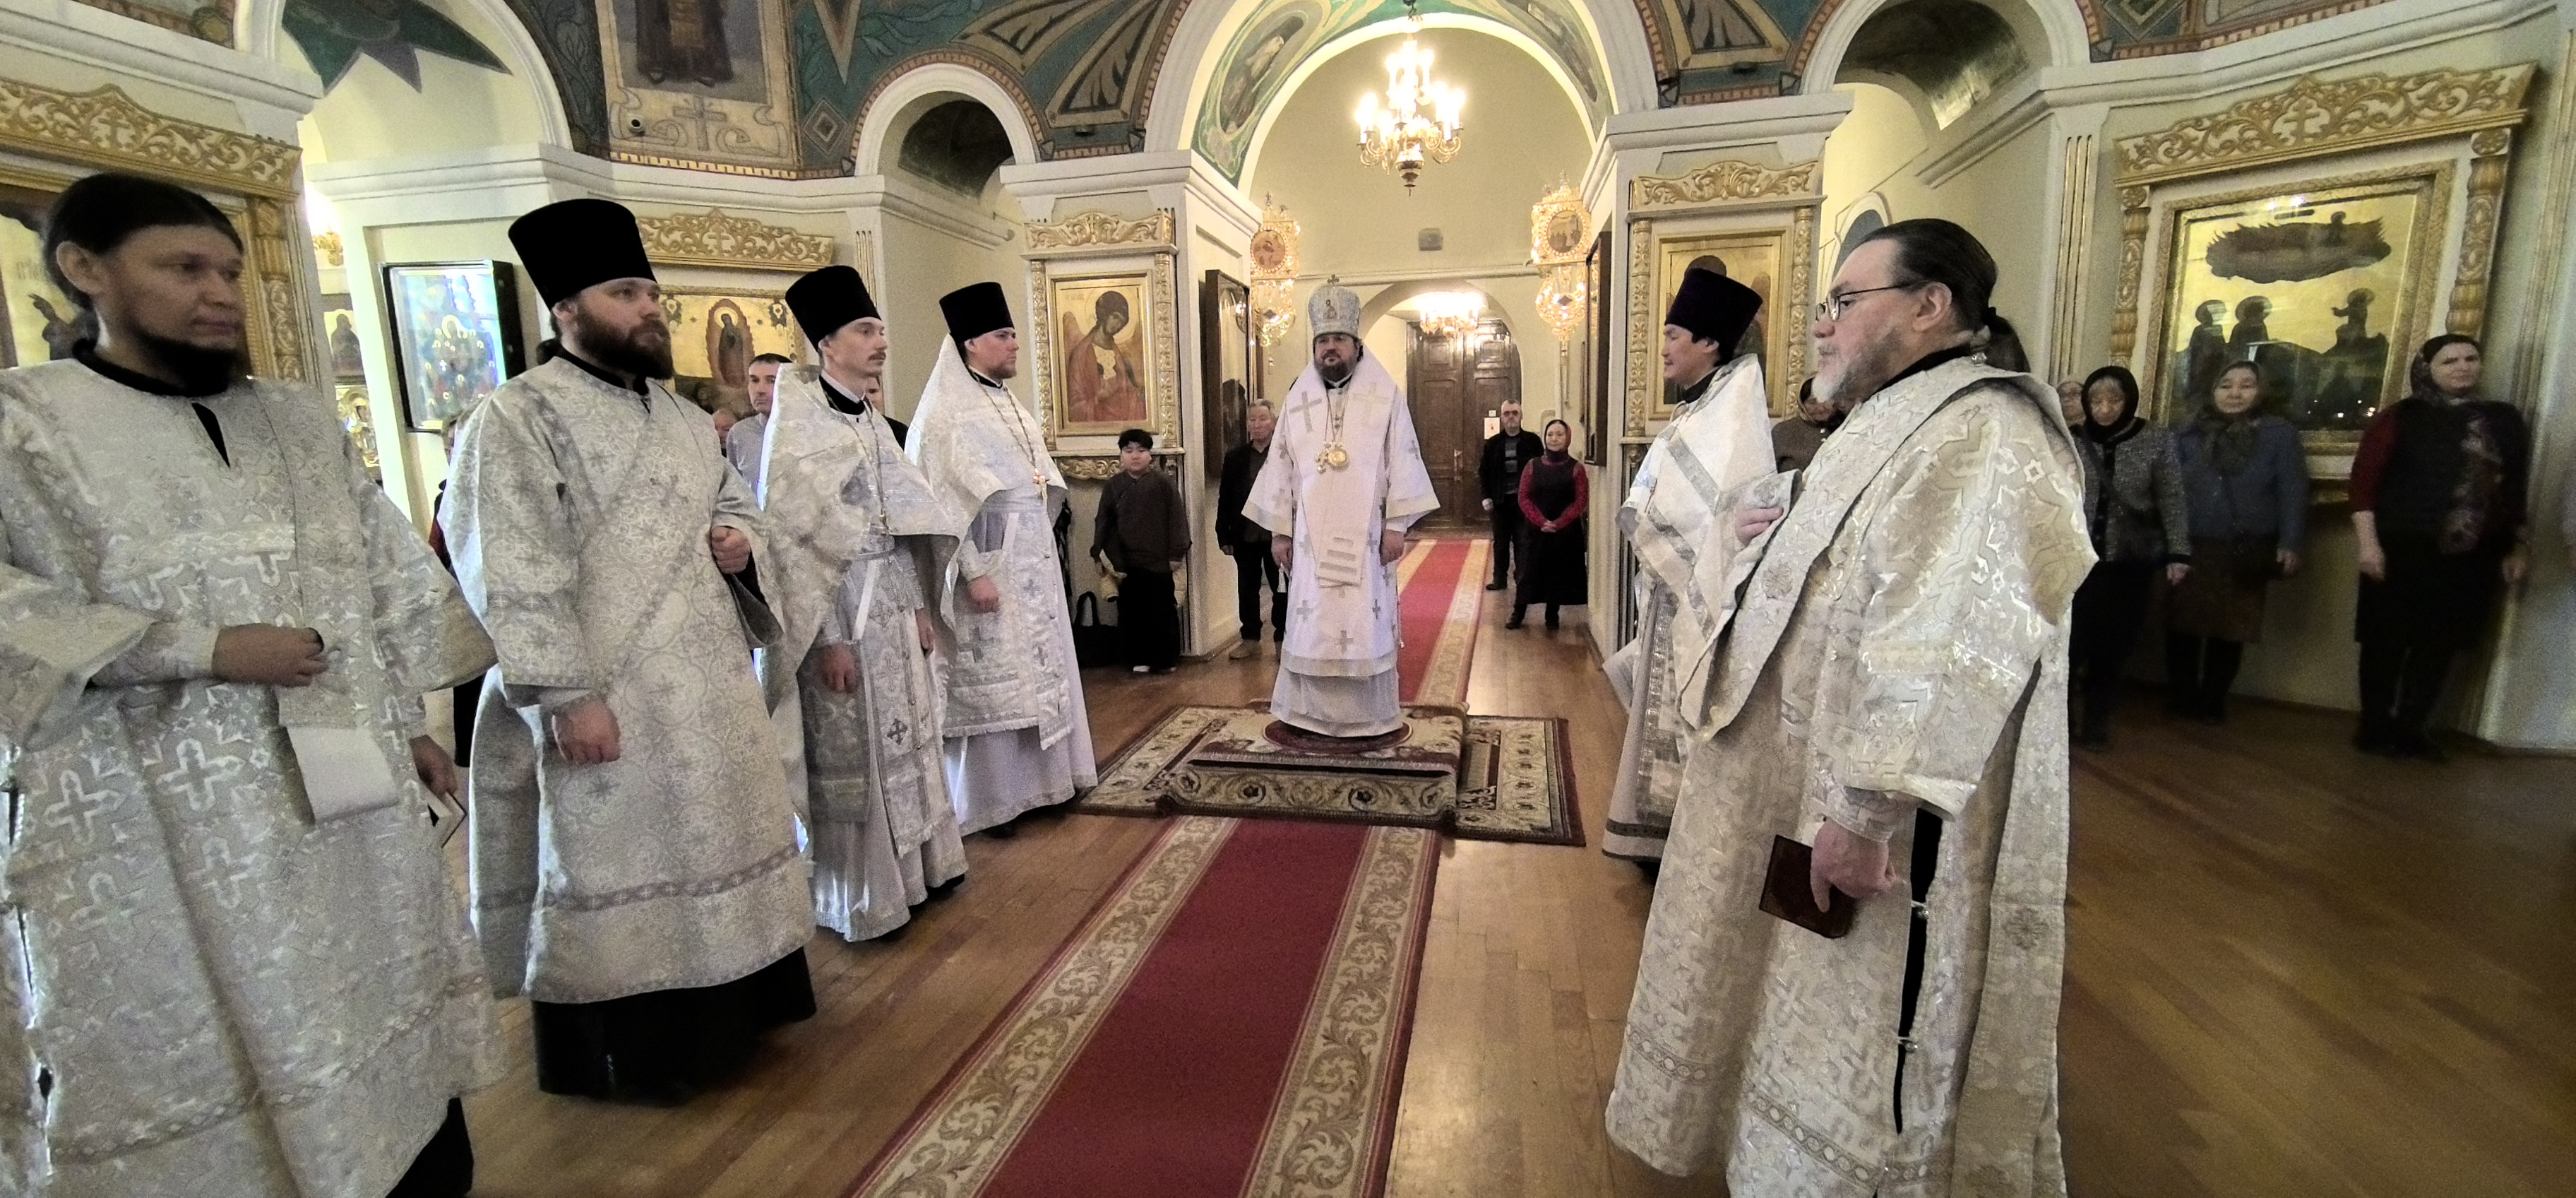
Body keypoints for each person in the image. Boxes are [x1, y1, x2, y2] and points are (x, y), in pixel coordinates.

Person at [0, 172, 499, 1197]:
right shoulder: (23, 428)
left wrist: (407, 722)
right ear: (85, 269)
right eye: (184, 268)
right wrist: (201, 646)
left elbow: (372, 577)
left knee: (377, 1003)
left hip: (342, 784)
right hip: (156, 815)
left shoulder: (298, 420)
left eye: (229, 271)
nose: (220, 294)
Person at [1609, 218, 2090, 1192]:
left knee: (1857, 1004)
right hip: (1798, 777)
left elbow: (1947, 637)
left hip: (1873, 814)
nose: (1820, 324)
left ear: (1930, 306)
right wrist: (1759, 527)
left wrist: (1864, 812)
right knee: (1785, 982)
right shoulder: (1889, 417)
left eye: (1843, 301)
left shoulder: (1985, 434)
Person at [447, 198, 814, 1105]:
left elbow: (739, 506)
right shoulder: (518, 417)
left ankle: (736, 1017)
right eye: (626, 293)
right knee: (614, 859)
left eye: (652, 294)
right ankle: (632, 1053)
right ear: (566, 308)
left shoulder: (684, 418)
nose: (650, 309)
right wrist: (567, 696)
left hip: (705, 688)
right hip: (606, 694)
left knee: (718, 838)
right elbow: (508, 565)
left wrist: (740, 543)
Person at [762, 263, 965, 941]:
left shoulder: (869, 418)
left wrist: (919, 609)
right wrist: (828, 641)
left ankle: (925, 868)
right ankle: (870, 895)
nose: (880, 342)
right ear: (827, 343)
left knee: (913, 736)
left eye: (880, 330)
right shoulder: (799, 428)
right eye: (865, 330)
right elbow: (795, 550)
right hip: (842, 612)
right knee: (865, 752)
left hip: (893, 607)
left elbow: (901, 526)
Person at [908, 281, 1096, 832]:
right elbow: (936, 502)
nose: (1015, 345)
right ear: (971, 343)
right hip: (990, 562)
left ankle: (1047, 784)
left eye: (1013, 335)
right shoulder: (944, 414)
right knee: (995, 681)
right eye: (1003, 335)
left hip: (1030, 559)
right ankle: (994, 801)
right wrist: (972, 572)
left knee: (1040, 671)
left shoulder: (1005, 399)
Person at [1603, 266, 1770, 865]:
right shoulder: (1699, 408)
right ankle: (1659, 836)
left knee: (1683, 716)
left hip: (1696, 600)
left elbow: (1719, 517)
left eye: (1674, 335)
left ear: (1710, 342)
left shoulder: (1733, 410)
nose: (1664, 348)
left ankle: (1681, 842)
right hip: (1671, 597)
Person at [1243, 278, 1440, 737]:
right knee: (1313, 621)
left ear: (1356, 345)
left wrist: (1397, 526)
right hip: (1309, 541)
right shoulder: (1297, 399)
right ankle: (1307, 715)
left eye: (1338, 339)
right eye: (1323, 341)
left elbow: (1403, 458)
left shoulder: (1385, 395)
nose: (1330, 348)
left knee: (1360, 624)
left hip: (1367, 537)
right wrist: (1280, 532)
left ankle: (1367, 717)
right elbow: (1281, 466)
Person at [2349, 333, 2531, 760]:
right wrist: (2369, 545)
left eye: (2470, 358)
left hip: (2473, 549)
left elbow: (2515, 488)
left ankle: (2412, 728)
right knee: (2386, 639)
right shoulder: (2402, 417)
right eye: (2450, 361)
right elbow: (2364, 484)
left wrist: (2519, 546)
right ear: (2428, 369)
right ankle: (2374, 726)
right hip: (2402, 543)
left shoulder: (2503, 420)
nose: (2462, 367)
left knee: (2441, 641)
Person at [2165, 360, 2308, 723]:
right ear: (2211, 390)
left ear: (2260, 391)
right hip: (2191, 544)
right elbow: (2169, 491)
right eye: (2225, 385)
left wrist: (2290, 542)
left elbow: (2292, 491)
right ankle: (2181, 698)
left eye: (2246, 385)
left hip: (2244, 547)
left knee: (2230, 629)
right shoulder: (2188, 434)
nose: (2235, 393)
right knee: (2182, 625)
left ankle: (2212, 701)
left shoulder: (2278, 434)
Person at [2069, 364, 2191, 751]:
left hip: (2129, 563)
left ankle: (2097, 724)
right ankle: (2061, 724)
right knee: (2070, 647)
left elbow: (2171, 497)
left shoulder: (2156, 440)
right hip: (2078, 562)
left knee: (2113, 647)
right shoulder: (2072, 439)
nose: (2104, 409)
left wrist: (2178, 552)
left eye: (2114, 400)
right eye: (2095, 401)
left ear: (2129, 400)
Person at [1095, 427, 1190, 673]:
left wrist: (1176, 553)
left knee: (1160, 611)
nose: (1135, 456)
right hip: (1126, 562)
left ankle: (1164, 659)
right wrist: (1099, 554)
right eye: (1128, 451)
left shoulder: (1163, 483)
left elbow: (1177, 518)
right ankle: (1138, 658)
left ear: (1150, 455)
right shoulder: (1114, 486)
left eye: (1141, 450)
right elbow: (1103, 521)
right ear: (1121, 455)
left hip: (1159, 560)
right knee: (1131, 612)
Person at [1216, 400, 1287, 658]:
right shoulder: (1235, 458)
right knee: (1247, 588)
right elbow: (1225, 498)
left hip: (1276, 534)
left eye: (1263, 419)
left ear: (1274, 423)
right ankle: (1249, 638)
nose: (1257, 425)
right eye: (1252, 420)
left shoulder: (1284, 455)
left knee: (1281, 589)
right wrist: (1223, 533)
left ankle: (1282, 639)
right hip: (1245, 533)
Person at [1510, 417, 1587, 630]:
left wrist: (1559, 523)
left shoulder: (1577, 468)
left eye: (1559, 434)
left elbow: (1580, 501)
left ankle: (1552, 615)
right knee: (1527, 573)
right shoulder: (1532, 466)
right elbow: (1524, 497)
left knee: (1557, 573)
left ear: (1568, 438)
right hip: (1535, 530)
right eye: (1550, 434)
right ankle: (1518, 612)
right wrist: (1542, 521)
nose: (1554, 439)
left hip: (1564, 532)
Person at [1479, 398, 1544, 591]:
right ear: (1502, 417)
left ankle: (1522, 579)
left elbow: (1540, 470)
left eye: (1515, 413)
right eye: (1507, 413)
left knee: (1523, 542)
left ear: (1521, 416)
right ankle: (1499, 579)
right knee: (1500, 542)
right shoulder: (1492, 444)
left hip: (1524, 502)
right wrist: (1486, 496)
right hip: (1499, 501)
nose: (1511, 417)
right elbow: (1484, 472)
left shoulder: (1533, 441)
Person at [727, 350, 788, 487]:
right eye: (754, 380)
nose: (760, 390)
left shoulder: (810, 430)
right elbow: (734, 489)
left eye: (771, 381)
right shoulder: (739, 433)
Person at [1769, 376, 1842, 472]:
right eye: (1812, 402)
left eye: (1825, 401)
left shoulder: (1845, 428)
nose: (1821, 408)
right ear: (1802, 404)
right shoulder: (1782, 431)